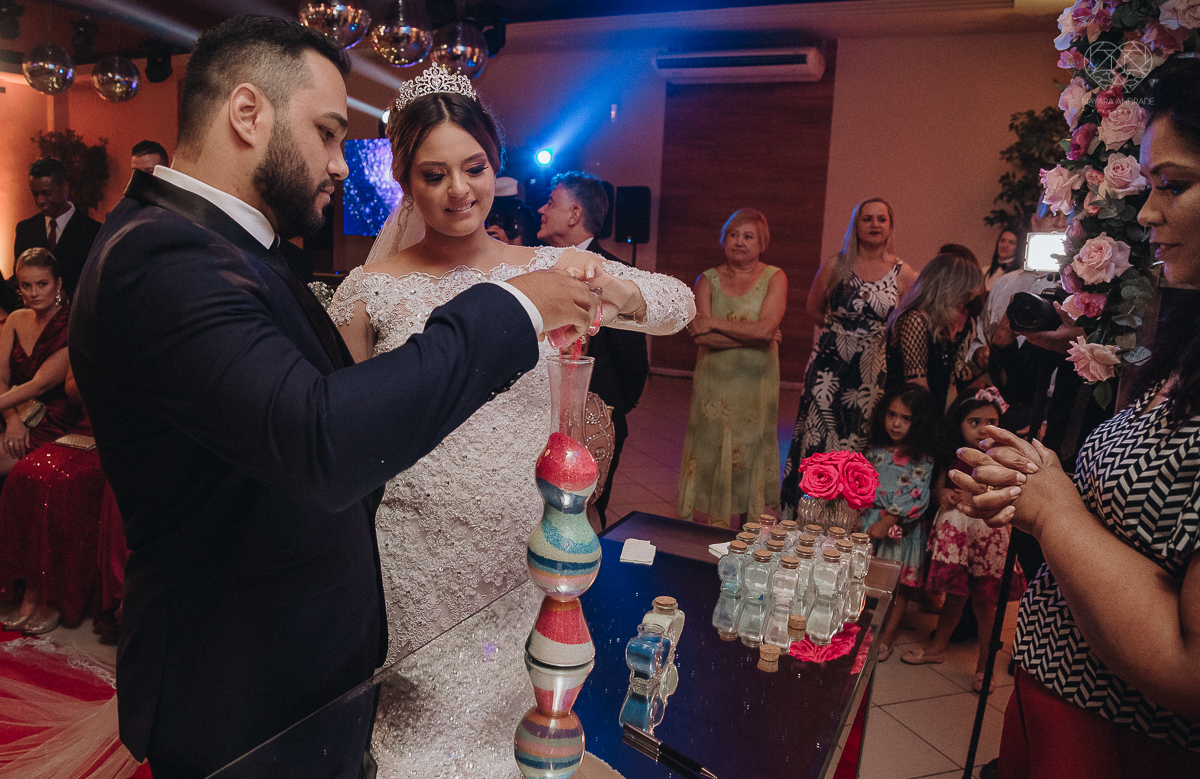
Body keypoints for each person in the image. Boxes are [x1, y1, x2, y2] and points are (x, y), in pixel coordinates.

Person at [69, 17, 599, 779]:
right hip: (238, 687)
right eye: (324, 132)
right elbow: (320, 435)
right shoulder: (159, 258)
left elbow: (328, 396)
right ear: (247, 114)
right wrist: (515, 308)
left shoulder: (236, 246)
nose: (341, 166)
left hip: (294, 666)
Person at [328, 66, 694, 775]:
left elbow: (679, 304)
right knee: (422, 724)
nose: (458, 190)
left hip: (518, 536)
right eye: (434, 174)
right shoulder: (369, 289)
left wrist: (613, 291)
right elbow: (346, 422)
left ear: (497, 170)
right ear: (406, 180)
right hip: (417, 543)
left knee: (520, 704)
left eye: (474, 168)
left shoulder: (547, 267)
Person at [955, 59, 1200, 777]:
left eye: (1175, 185)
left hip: (1121, 750)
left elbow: (1190, 667)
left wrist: (1055, 513)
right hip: (1059, 716)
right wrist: (1043, 478)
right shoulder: (1186, 344)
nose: (1150, 213)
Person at [780, 198, 916, 521]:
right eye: (867, 218)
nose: (874, 224)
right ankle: (807, 517)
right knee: (818, 439)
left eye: (881, 219)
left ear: (890, 226)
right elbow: (814, 308)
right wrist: (841, 338)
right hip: (829, 366)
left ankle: (842, 521)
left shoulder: (905, 273)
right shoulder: (835, 265)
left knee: (857, 441)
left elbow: (909, 321)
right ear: (856, 226)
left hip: (871, 372)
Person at [537, 170, 651, 526]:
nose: (541, 209)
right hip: (538, 416)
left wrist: (608, 412)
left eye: (551, 202)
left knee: (582, 516)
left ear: (574, 214)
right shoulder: (536, 267)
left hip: (594, 422)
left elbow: (633, 363)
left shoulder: (615, 275)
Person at [901, 394, 1023, 694]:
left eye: (991, 422)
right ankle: (937, 648)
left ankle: (985, 666)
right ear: (959, 424)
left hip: (986, 533)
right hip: (957, 529)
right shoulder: (953, 454)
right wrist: (943, 495)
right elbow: (942, 485)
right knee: (954, 597)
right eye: (974, 422)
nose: (983, 429)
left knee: (985, 606)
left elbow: (1008, 491)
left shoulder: (1000, 457)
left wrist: (980, 495)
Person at [677, 208, 786, 528]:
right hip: (715, 385)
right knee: (712, 449)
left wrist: (713, 324)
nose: (739, 242)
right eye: (733, 235)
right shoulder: (707, 279)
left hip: (756, 386)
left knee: (750, 451)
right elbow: (700, 336)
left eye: (748, 236)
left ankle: (748, 526)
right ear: (723, 240)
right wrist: (756, 335)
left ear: (762, 244)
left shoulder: (775, 277)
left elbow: (767, 329)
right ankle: (714, 527)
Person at [0, 248, 87, 636]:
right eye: (25, 285)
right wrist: (12, 419)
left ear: (58, 286)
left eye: (42, 284)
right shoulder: (16, 319)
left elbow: (40, 385)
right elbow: (1, 379)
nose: (34, 292)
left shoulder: (72, 324)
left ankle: (28, 588)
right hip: (16, 415)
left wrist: (18, 416)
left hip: (54, 419)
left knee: (13, 470)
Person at [861, 383, 938, 661]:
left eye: (906, 418)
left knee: (896, 587)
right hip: (870, 521)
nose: (896, 423)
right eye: (891, 415)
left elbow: (916, 494)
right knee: (865, 577)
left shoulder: (922, 457)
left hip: (899, 530)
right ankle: (862, 628)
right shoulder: (875, 449)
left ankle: (887, 635)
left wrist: (888, 520)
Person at [883, 252, 984, 414]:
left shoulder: (941, 324)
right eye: (965, 295)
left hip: (929, 415)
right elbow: (917, 386)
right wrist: (933, 428)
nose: (966, 302)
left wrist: (951, 423)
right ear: (947, 289)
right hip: (908, 417)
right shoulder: (914, 319)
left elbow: (949, 384)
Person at [12, 158, 102, 304]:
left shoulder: (93, 231)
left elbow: (96, 284)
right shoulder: (25, 229)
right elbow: (18, 277)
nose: (40, 200)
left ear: (65, 187)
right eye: (35, 194)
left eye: (46, 193)